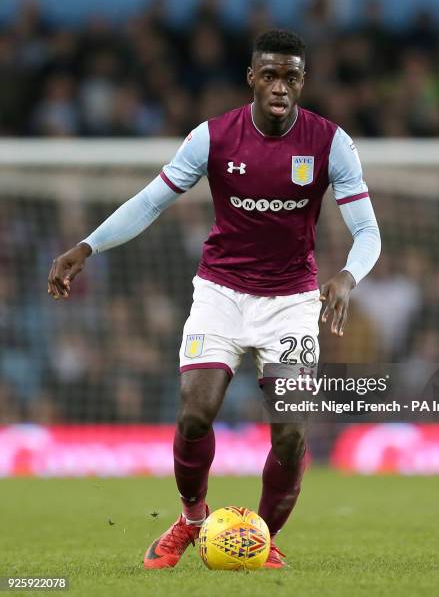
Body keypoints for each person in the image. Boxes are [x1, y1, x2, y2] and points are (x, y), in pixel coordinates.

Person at [48, 29, 381, 569]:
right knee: (195, 415)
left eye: (290, 77)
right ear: (252, 78)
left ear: (302, 81)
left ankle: (259, 536)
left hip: (293, 301)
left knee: (293, 434)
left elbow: (367, 231)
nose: (279, 86)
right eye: (269, 75)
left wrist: (345, 277)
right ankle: (192, 520)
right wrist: (88, 245)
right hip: (221, 293)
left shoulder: (330, 142)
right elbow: (150, 202)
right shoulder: (212, 137)